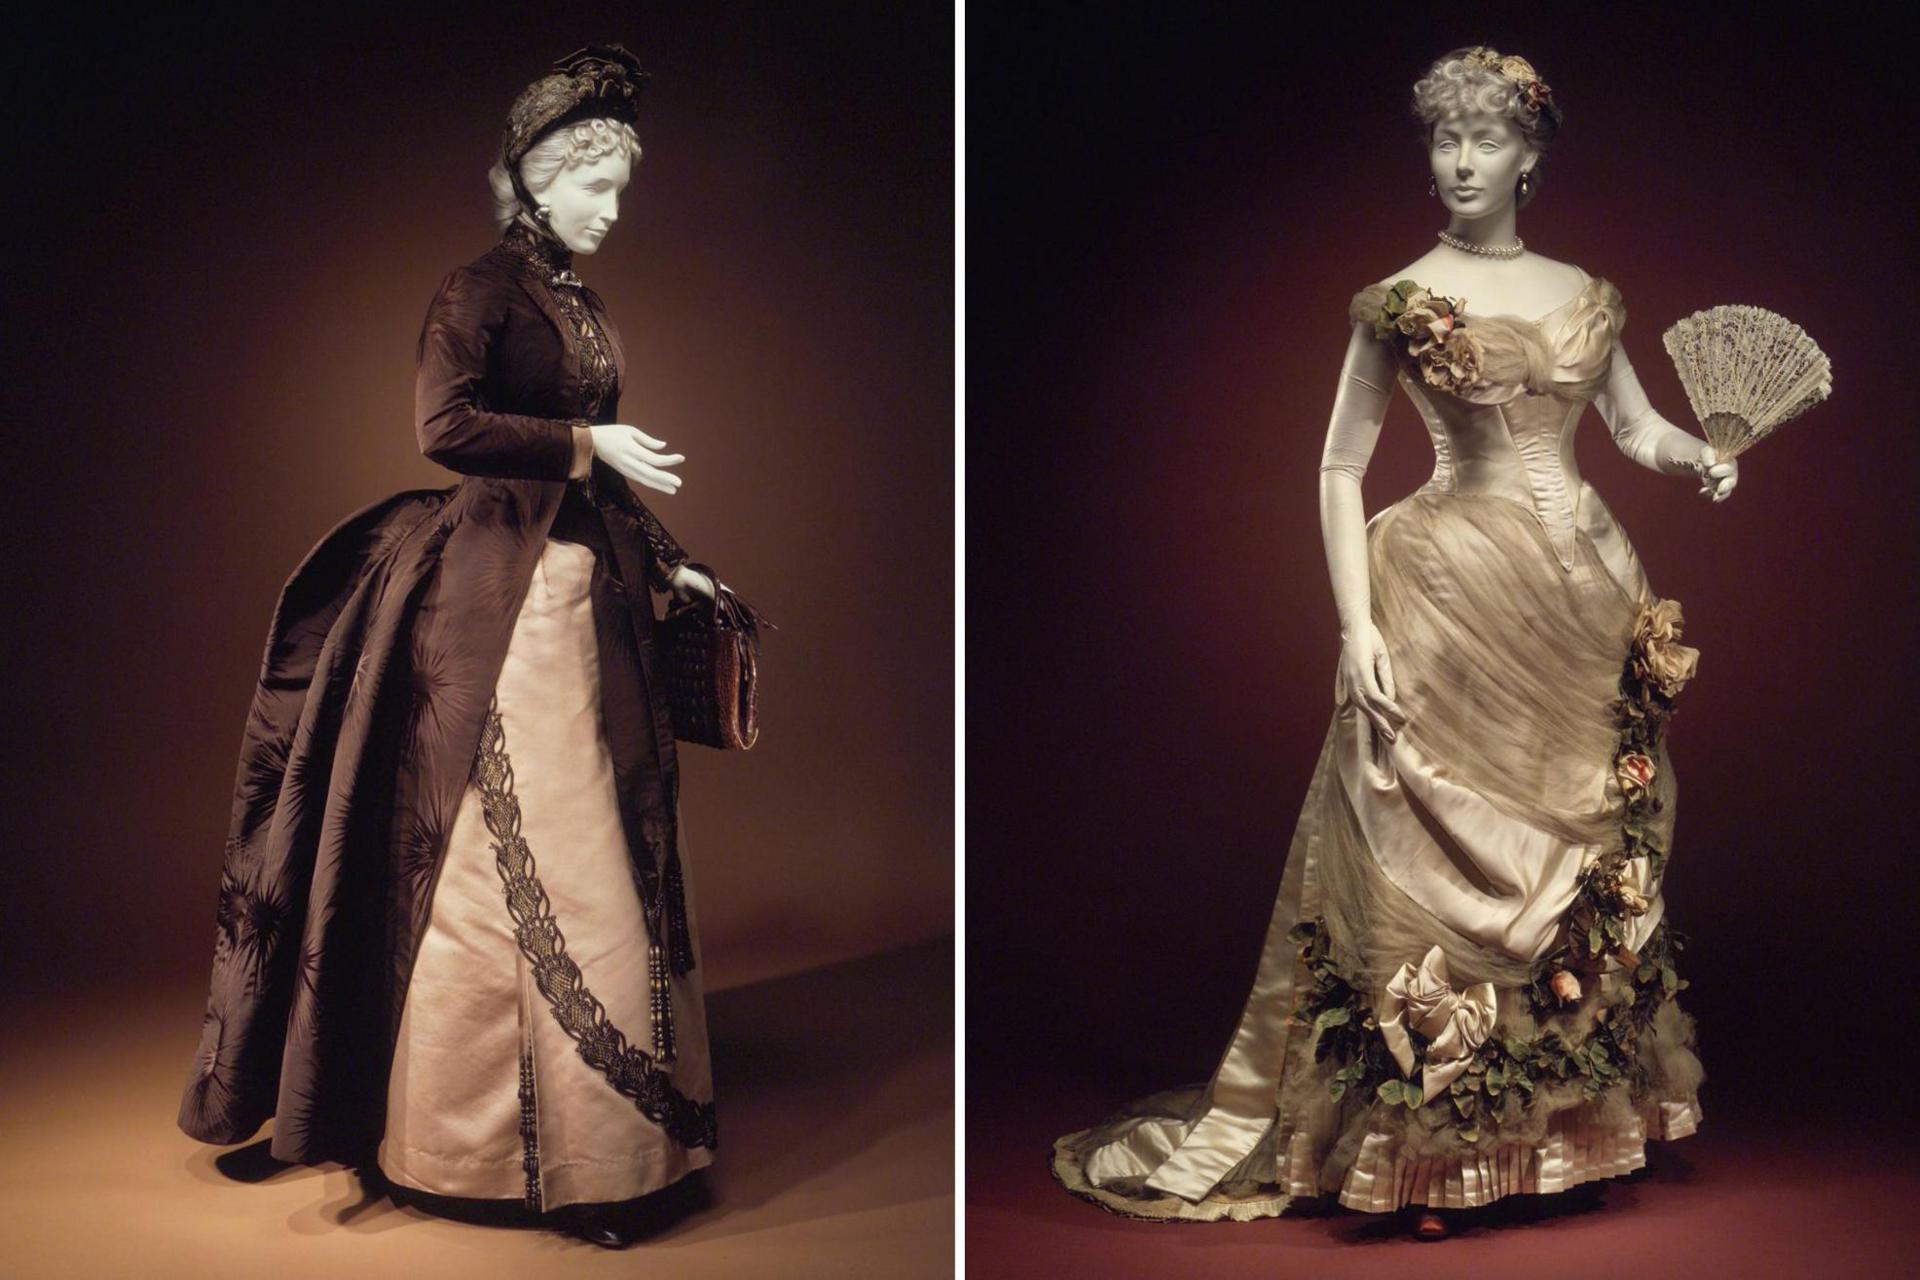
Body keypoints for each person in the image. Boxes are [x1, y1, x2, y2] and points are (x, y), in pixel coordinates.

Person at [1050, 45, 1732, 1241]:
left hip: (1581, 593)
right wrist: (1355, 620)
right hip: (1447, 592)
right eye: (1443, 141)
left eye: (1486, 140)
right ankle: (1436, 1151)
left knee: (1582, 845)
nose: (1462, 161)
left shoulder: (1588, 291)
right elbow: (1337, 464)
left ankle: (1563, 1131)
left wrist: (1699, 456)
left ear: (1532, 154)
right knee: (1438, 850)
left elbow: (1634, 426)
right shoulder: (1400, 298)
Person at [176, 44, 735, 1249]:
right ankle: (484, 1150)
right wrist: (592, 451)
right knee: (513, 853)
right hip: (496, 597)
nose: (614, 210)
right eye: (597, 187)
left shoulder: (579, 301)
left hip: (581, 588)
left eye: (621, 188)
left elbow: (598, 447)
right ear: (538, 179)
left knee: (606, 839)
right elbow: (446, 424)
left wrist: (668, 551)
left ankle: (610, 1146)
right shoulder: (476, 288)